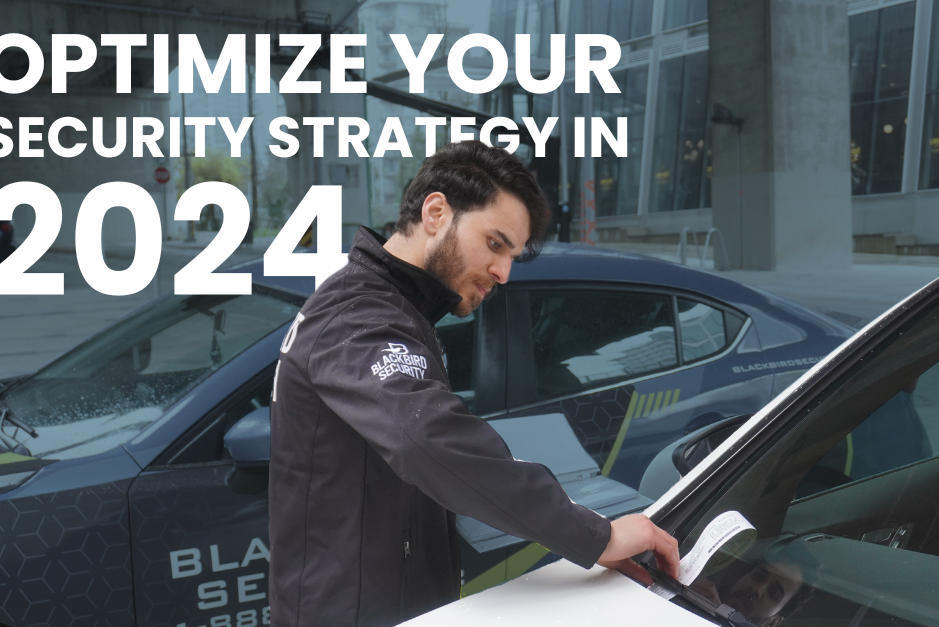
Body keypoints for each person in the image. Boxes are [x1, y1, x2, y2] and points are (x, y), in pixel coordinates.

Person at [268, 141, 679, 627]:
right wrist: (597, 536)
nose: (503, 273)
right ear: (436, 213)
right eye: (495, 244)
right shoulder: (359, 315)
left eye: (512, 256)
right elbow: (429, 440)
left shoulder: (396, 310)